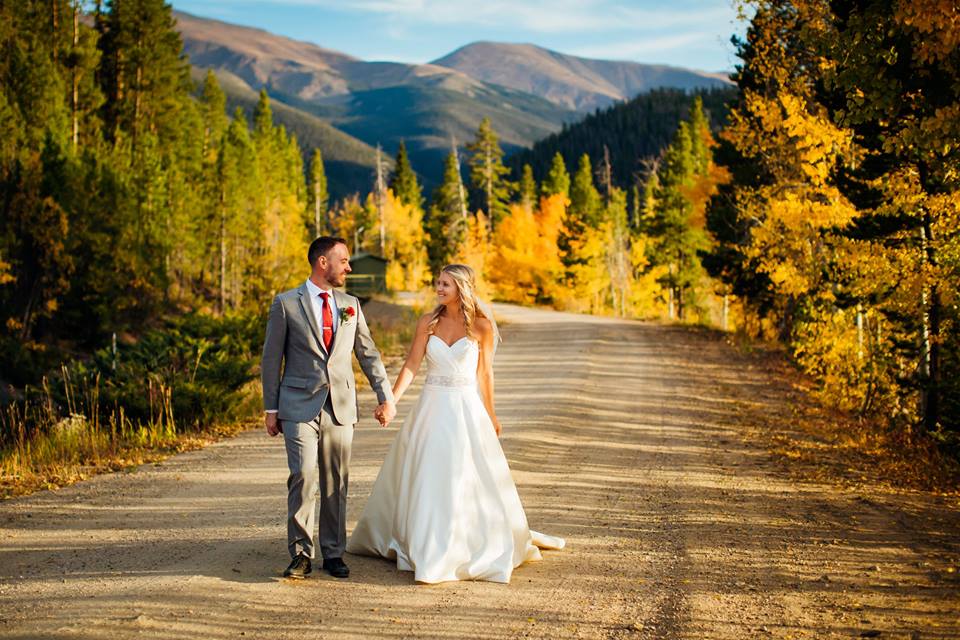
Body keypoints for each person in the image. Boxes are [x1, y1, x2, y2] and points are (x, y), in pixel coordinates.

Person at [347, 264, 564, 583]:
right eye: (438, 282)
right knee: (428, 473)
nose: (439, 288)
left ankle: (460, 542)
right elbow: (411, 364)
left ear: (462, 287)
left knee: (464, 474)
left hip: (465, 408)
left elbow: (486, 374)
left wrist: (491, 414)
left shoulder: (481, 326)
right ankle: (425, 543)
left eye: (446, 284)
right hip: (431, 408)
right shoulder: (428, 323)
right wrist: (390, 400)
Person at [261, 236, 396, 580]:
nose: (349, 268)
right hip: (296, 405)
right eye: (344, 261)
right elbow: (271, 359)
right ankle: (301, 554)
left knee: (336, 481)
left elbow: (367, 353)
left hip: (340, 407)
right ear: (323, 262)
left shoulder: (351, 305)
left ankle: (333, 553)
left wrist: (385, 395)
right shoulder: (286, 303)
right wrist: (271, 408)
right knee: (303, 476)